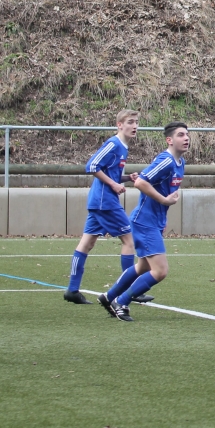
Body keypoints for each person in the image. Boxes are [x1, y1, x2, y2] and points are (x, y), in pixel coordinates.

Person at [98, 122, 189, 322]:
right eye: (181, 135)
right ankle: (121, 302)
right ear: (169, 140)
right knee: (160, 271)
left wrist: (162, 217)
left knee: (143, 267)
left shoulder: (180, 163)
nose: (186, 138)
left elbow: (163, 191)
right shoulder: (166, 161)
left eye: (187, 135)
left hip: (153, 221)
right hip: (144, 221)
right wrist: (164, 200)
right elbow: (140, 182)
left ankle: (108, 296)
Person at [64, 109, 145, 305]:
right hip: (105, 202)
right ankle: (129, 290)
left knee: (87, 243)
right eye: (130, 122)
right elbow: (92, 166)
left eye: (136, 122)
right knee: (129, 241)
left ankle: (72, 290)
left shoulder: (123, 147)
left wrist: (126, 178)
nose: (134, 126)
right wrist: (114, 184)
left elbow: (110, 173)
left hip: (99, 201)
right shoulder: (113, 144)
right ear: (119, 125)